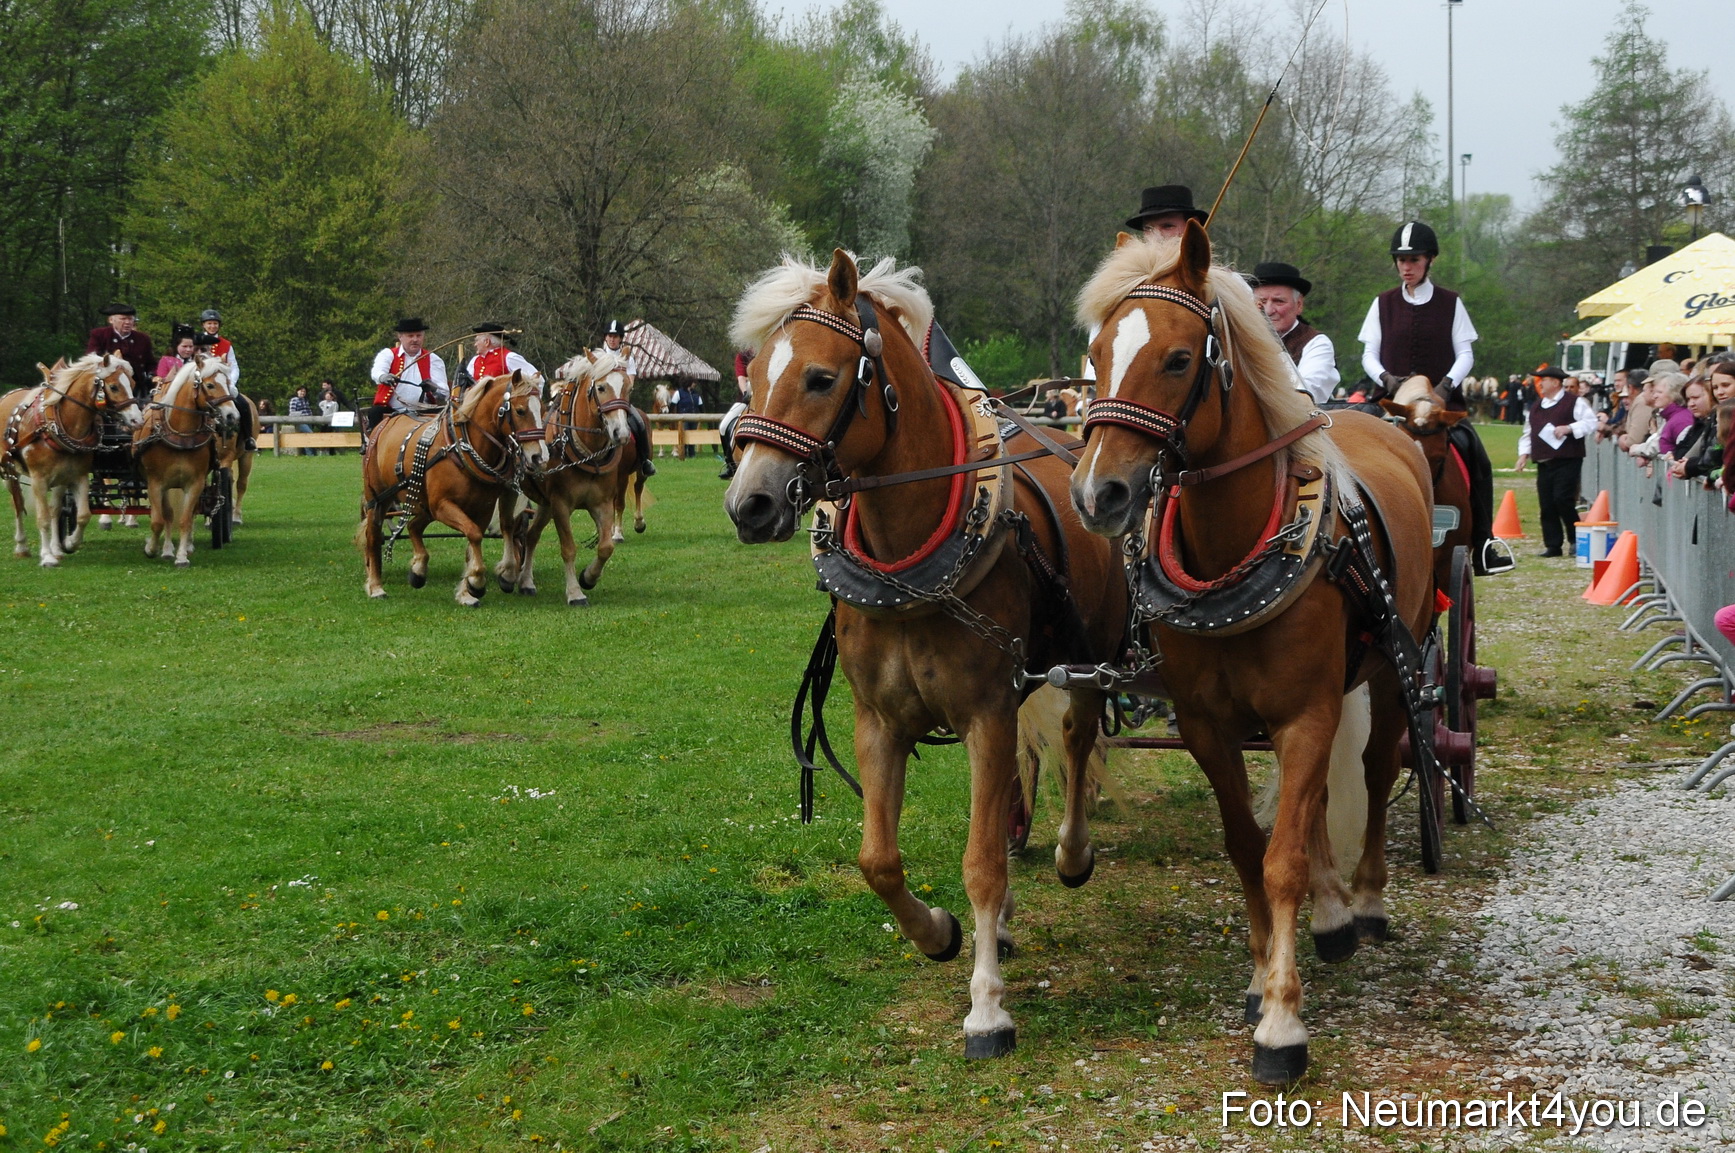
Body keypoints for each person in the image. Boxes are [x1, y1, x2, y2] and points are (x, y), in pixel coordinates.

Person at [1358, 220, 1498, 572]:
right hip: (1393, 400)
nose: (1406, 267)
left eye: (1414, 260)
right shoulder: (1382, 303)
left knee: (1474, 451)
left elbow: (1465, 353)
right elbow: (1368, 353)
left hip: (1439, 403)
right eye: (1401, 260)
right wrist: (1386, 378)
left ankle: (1484, 540)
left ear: (1429, 260)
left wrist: (1445, 386)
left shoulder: (1451, 302)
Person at [1514, 365, 1597, 558]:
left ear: (1555, 382)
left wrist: (1569, 428)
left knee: (1563, 499)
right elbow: (1528, 433)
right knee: (1547, 503)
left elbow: (1591, 422)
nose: (1540, 384)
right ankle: (1553, 544)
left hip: (1568, 459)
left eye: (1544, 380)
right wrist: (1523, 455)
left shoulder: (1574, 402)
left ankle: (1575, 539)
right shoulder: (1536, 407)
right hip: (1544, 460)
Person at [1246, 261, 1338, 404]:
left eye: (1279, 301)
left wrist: (1273, 343)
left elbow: (1307, 396)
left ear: (1299, 305)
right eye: (1261, 302)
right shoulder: (1240, 339)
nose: (1268, 311)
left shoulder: (1316, 343)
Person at [368, 317, 449, 429]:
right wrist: (384, 377)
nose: (415, 339)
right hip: (392, 409)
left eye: (418, 336)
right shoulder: (388, 354)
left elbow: (444, 392)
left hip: (424, 410)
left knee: (446, 416)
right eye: (410, 336)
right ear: (400, 337)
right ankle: (372, 446)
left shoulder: (433, 359)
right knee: (374, 412)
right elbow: (377, 372)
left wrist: (434, 388)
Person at [599, 319, 655, 478]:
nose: (612, 339)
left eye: (615, 336)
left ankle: (644, 461)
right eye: (610, 335)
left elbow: (630, 382)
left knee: (639, 423)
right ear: (605, 337)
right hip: (602, 403)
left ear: (620, 338)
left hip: (621, 400)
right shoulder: (599, 356)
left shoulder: (628, 358)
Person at [197, 309, 253, 449]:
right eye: (209, 323)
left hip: (223, 384)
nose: (212, 326)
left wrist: (231, 383)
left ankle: (247, 438)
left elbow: (234, 366)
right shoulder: (196, 341)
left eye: (215, 323)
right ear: (203, 325)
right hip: (203, 384)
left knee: (244, 406)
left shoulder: (226, 344)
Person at [86, 303, 155, 389]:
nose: (127, 322)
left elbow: (150, 363)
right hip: (107, 385)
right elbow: (92, 357)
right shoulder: (99, 335)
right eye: (123, 319)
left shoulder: (143, 338)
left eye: (130, 319)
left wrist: (153, 375)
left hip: (136, 385)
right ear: (111, 320)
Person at [154, 325, 197, 389]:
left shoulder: (196, 361)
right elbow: (161, 381)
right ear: (176, 346)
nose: (188, 350)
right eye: (184, 346)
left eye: (191, 347)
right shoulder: (166, 360)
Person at [288, 384, 317, 456]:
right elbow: (292, 412)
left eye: (304, 391)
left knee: (309, 436)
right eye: (301, 391)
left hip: (309, 420)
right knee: (309, 434)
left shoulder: (305, 400)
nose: (302, 393)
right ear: (297, 391)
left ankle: (313, 453)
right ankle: (310, 454)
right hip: (300, 421)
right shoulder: (294, 400)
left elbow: (308, 411)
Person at [319, 384, 341, 455]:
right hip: (324, 421)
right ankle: (322, 450)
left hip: (331, 422)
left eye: (329, 396)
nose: (327, 397)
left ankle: (330, 451)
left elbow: (335, 412)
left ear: (332, 397)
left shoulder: (334, 404)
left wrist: (328, 416)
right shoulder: (324, 403)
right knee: (322, 435)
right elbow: (320, 405)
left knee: (330, 435)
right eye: (326, 396)